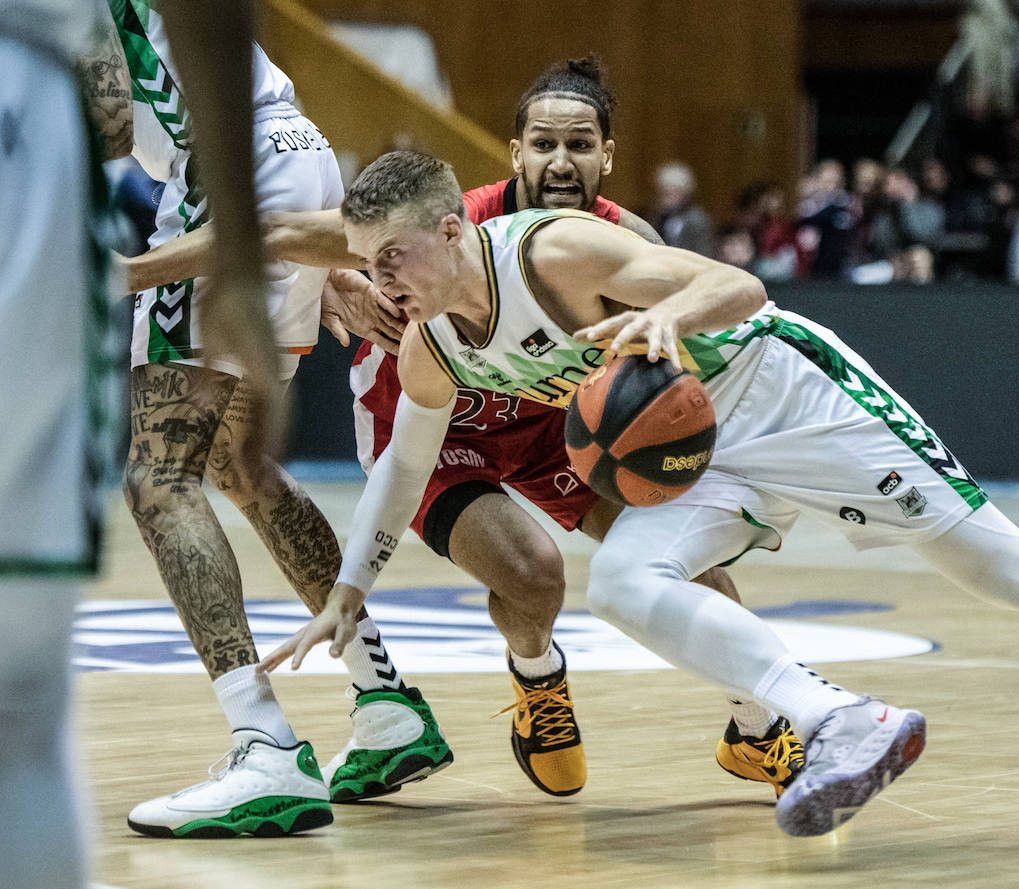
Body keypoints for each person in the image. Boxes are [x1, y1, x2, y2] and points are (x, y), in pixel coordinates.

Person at [276, 150, 1019, 839]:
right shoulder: (431, 351)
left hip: (782, 392)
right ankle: (839, 718)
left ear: (455, 232)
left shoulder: (553, 249)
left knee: (1015, 574)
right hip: (703, 456)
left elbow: (739, 286)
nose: (385, 282)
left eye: (398, 256)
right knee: (627, 583)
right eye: (370, 265)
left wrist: (670, 317)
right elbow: (404, 469)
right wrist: (350, 592)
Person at [125, 57, 806, 800]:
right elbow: (281, 230)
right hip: (437, 429)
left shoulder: (624, 240)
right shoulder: (445, 228)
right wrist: (144, 273)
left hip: (558, 425)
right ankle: (538, 675)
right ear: (515, 153)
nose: (560, 161)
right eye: (543, 144)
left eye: (580, 145)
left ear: (608, 156)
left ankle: (754, 724)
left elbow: (722, 335)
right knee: (532, 574)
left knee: (691, 563)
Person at [107, 0, 454, 839]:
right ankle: (384, 702)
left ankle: (263, 744)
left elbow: (110, 111)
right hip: (291, 150)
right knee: (238, 466)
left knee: (159, 478)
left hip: (226, 173)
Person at [1, 0, 276, 889]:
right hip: (24, 118)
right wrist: (236, 258)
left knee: (172, 480)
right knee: (18, 701)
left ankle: (278, 735)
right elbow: (121, 109)